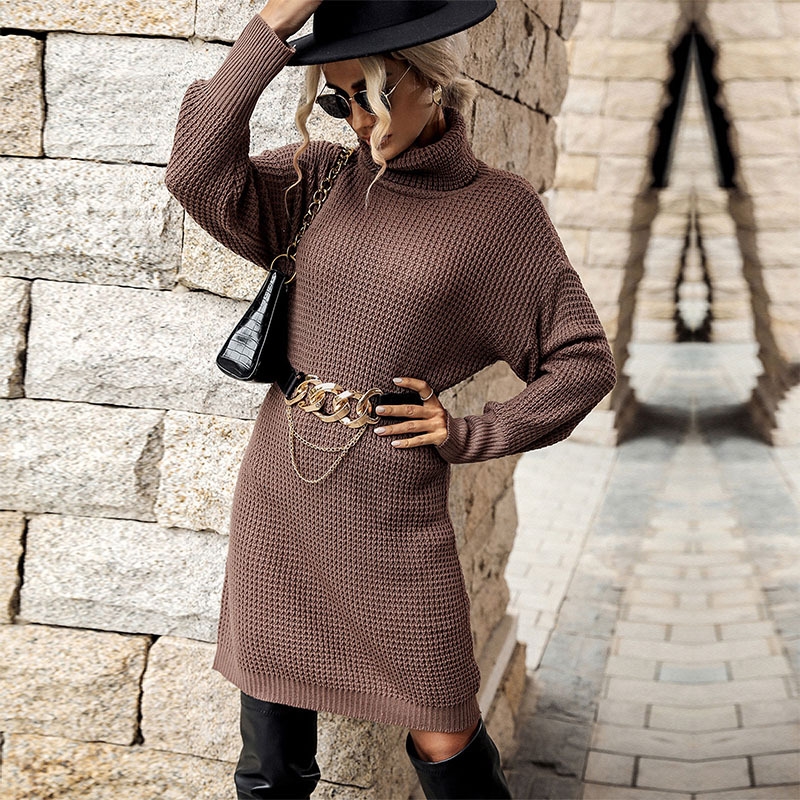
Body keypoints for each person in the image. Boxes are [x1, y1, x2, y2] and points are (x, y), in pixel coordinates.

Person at [165, 0, 617, 797]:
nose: (358, 120)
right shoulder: (319, 179)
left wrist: (469, 433)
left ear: (429, 80)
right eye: (339, 100)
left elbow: (582, 362)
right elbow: (195, 171)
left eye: (370, 93)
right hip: (280, 492)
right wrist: (274, 26)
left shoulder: (499, 213)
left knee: (444, 725)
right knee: (269, 748)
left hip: (391, 514)